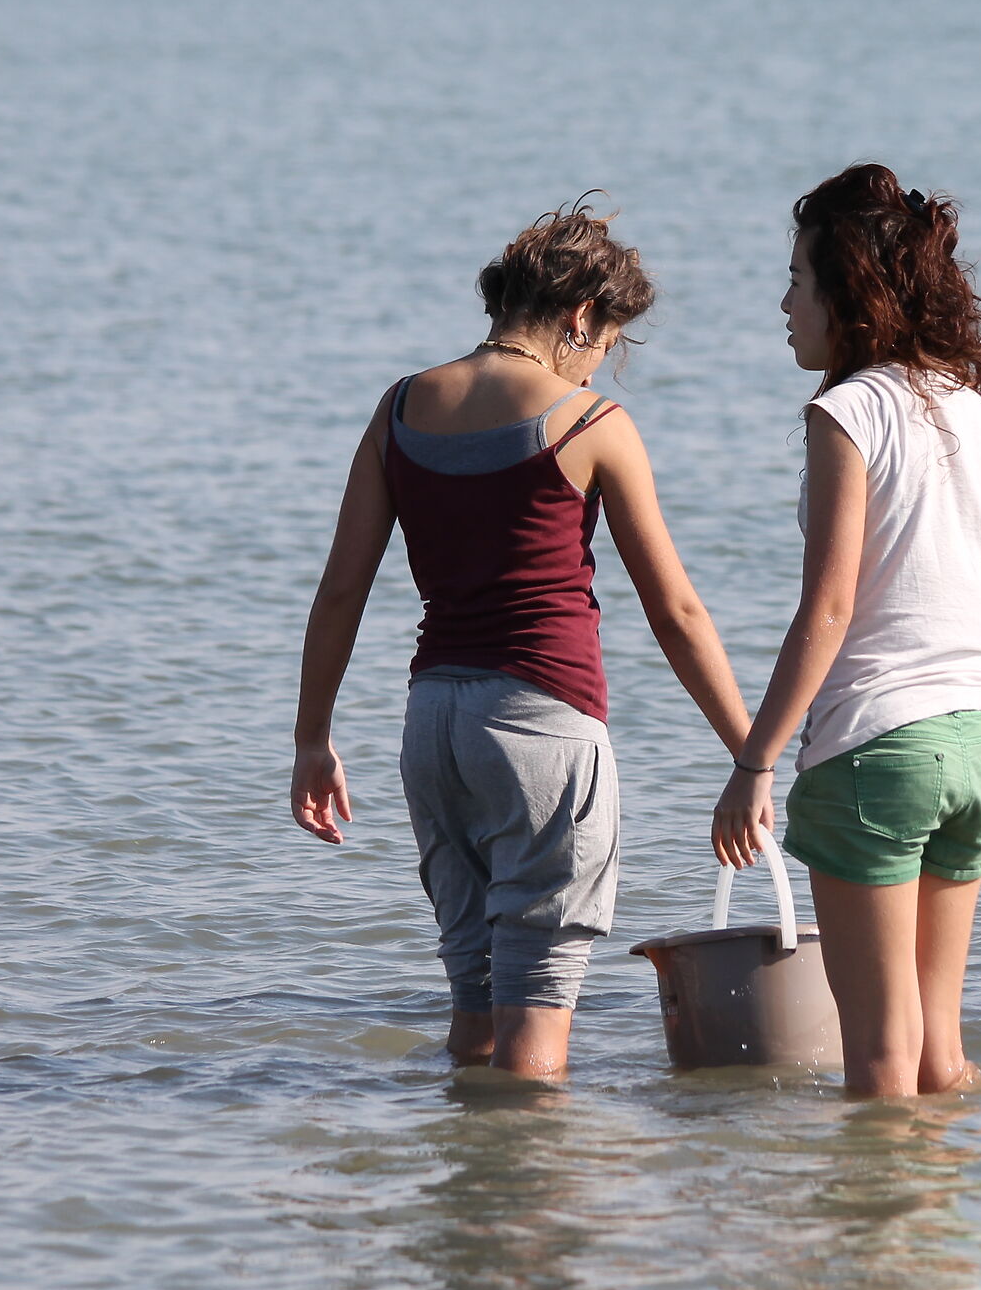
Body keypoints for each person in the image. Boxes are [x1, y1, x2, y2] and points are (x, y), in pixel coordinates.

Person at [289, 201, 752, 1079]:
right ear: (580, 317)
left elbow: (341, 588)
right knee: (538, 1027)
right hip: (544, 726)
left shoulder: (399, 409)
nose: (601, 361)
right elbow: (676, 612)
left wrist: (313, 737)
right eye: (607, 339)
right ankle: (530, 1210)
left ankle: (465, 1206)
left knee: (475, 1010)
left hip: (434, 727)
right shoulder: (590, 424)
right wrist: (751, 752)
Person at [711, 165, 981, 1098]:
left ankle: (877, 1242)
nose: (783, 302)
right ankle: (946, 1238)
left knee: (880, 1062)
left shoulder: (846, 412)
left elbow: (830, 609)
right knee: (941, 1054)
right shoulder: (973, 411)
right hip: (976, 742)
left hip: (876, 752)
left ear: (847, 294)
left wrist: (754, 763)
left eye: (798, 280)